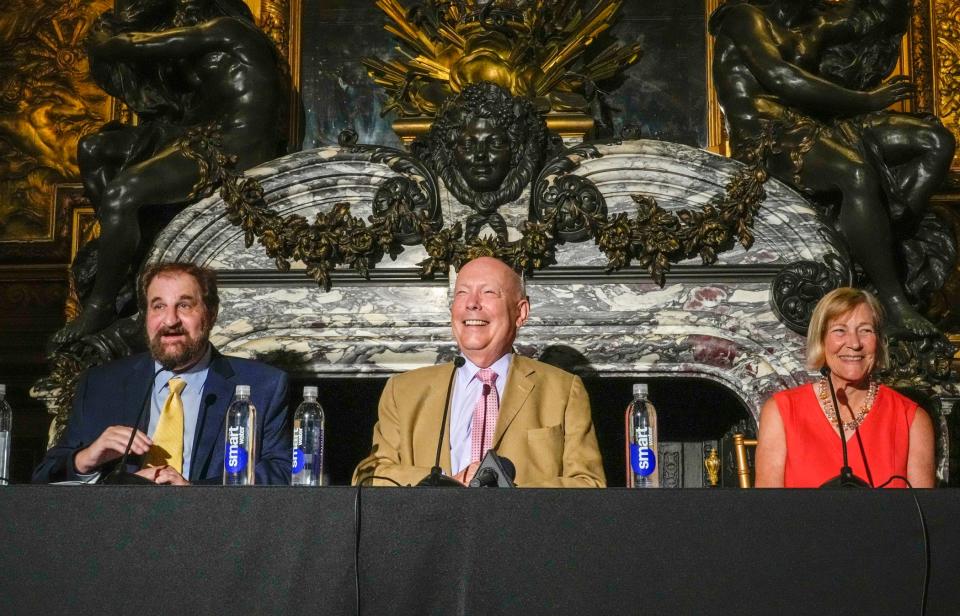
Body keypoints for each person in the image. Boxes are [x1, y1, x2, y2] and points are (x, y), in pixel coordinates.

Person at [709, 0, 955, 341]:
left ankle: (883, 230)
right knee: (855, 173)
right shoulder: (744, 17)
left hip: (816, 128)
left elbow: (872, 15)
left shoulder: (814, 22)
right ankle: (895, 303)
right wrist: (868, 100)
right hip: (769, 141)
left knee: (936, 141)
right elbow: (782, 77)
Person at [51, 0, 287, 347]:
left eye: (188, 9)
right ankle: (127, 251)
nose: (182, 15)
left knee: (122, 192)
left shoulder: (228, 32)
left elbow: (146, 46)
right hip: (203, 135)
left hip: (236, 147)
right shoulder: (206, 53)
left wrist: (106, 41)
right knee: (94, 149)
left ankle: (99, 306)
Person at [353, 256, 606, 487]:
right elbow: (369, 477)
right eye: (462, 293)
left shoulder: (563, 391)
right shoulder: (403, 391)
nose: (472, 303)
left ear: (521, 312)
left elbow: (589, 484)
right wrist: (445, 482)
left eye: (488, 292)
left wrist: (507, 494)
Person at [34, 262, 291, 484]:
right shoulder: (101, 383)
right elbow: (45, 476)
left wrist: (194, 492)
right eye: (158, 306)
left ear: (210, 315)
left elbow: (284, 473)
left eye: (185, 306)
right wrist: (88, 457)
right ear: (145, 317)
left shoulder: (263, 385)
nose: (170, 321)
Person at [754, 287, 935, 488]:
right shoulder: (781, 411)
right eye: (840, 330)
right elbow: (768, 513)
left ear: (879, 340)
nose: (854, 343)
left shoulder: (912, 419)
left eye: (865, 330)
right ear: (821, 340)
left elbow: (921, 515)